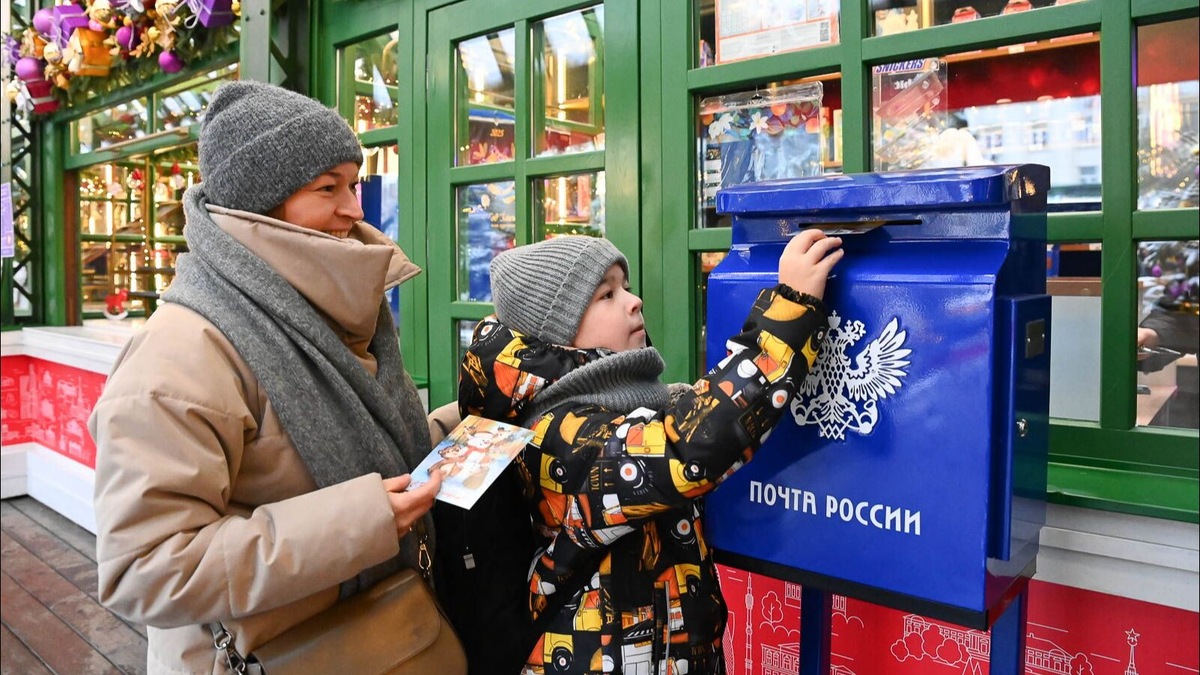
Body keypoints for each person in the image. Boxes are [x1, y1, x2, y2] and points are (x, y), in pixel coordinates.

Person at [88, 80, 449, 674]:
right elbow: (145, 568)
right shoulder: (180, 352)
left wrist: (457, 428)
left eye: (354, 184)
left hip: (380, 640)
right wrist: (360, 523)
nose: (356, 210)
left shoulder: (334, 309)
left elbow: (361, 451)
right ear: (260, 202)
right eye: (327, 188)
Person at [451, 231, 842, 674]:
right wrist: (788, 311)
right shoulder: (557, 434)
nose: (634, 301)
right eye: (607, 294)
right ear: (557, 332)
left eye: (626, 286)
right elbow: (686, 447)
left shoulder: (631, 405)